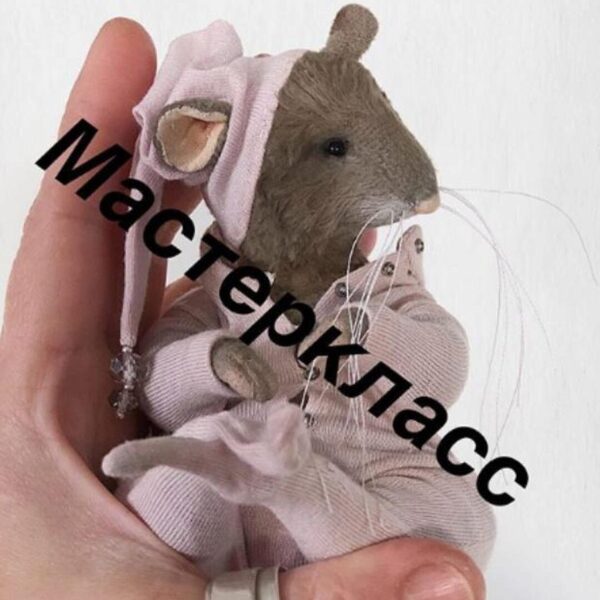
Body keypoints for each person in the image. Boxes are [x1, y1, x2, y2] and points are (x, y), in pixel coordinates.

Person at [0, 17, 486, 600]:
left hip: (371, 496)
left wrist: (353, 335)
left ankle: (293, 485)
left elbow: (443, 367)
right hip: (224, 526)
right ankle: (261, 474)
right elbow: (152, 384)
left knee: (457, 526)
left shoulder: (383, 286)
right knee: (186, 467)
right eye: (335, 149)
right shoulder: (218, 301)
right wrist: (211, 363)